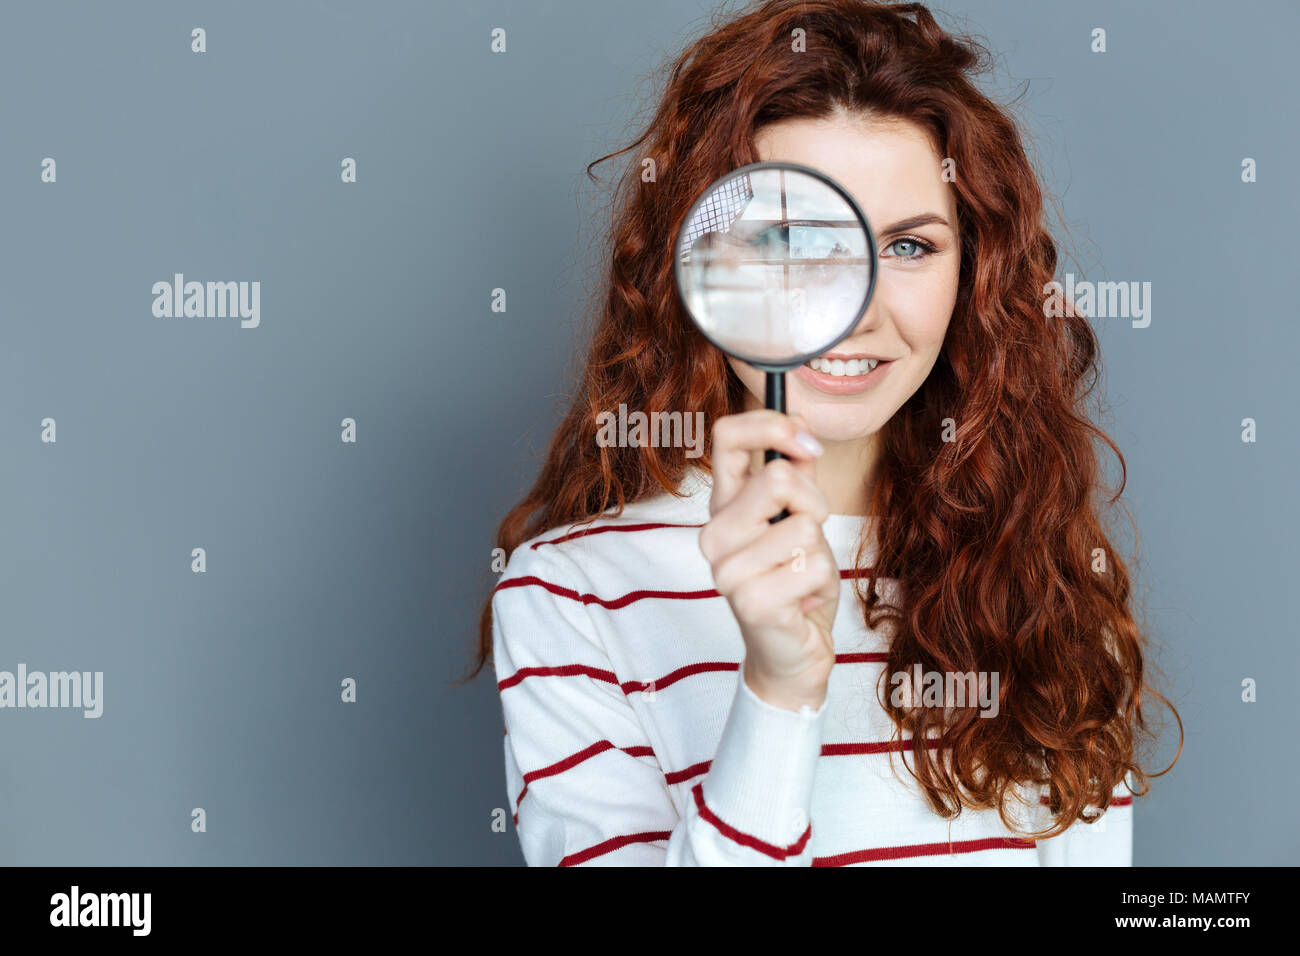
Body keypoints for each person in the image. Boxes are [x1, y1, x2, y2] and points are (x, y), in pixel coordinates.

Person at [472, 0, 1181, 866]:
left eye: (911, 248)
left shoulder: (1041, 579)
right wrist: (778, 690)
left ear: (974, 274)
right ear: (695, 266)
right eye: (791, 243)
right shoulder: (570, 599)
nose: (856, 309)